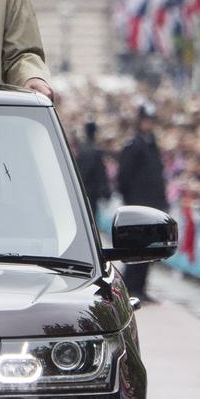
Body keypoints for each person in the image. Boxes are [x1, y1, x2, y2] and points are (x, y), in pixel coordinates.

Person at [116, 102, 167, 303]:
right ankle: (132, 285)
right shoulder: (134, 144)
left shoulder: (151, 143)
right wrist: (130, 201)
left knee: (149, 248)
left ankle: (141, 286)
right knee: (135, 247)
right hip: (138, 203)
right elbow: (124, 176)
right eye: (146, 120)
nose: (149, 125)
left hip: (153, 203)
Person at [76, 121, 111, 217]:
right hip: (93, 191)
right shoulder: (96, 150)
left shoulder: (82, 150)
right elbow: (100, 173)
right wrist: (106, 191)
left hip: (83, 189)